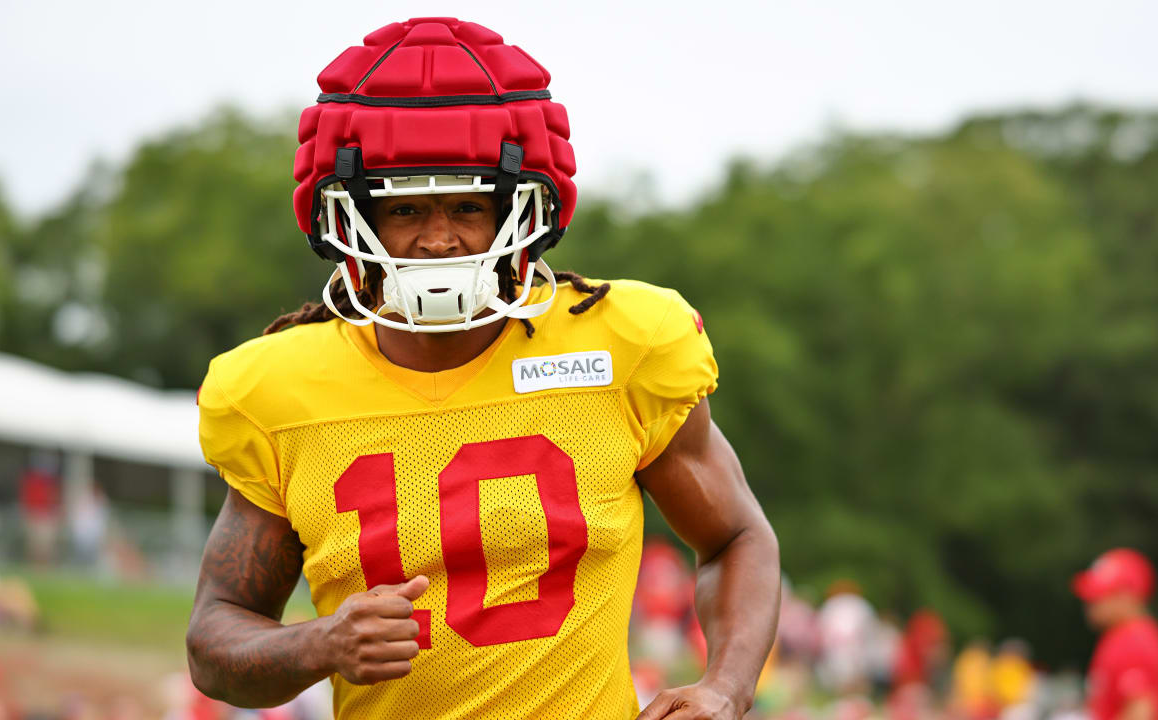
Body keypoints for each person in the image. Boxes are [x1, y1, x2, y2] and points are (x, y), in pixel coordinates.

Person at [184, 17, 780, 720]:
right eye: (405, 209)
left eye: (468, 205)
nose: (439, 240)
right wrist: (320, 643)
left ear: (523, 205)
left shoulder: (624, 345)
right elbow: (214, 640)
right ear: (346, 217)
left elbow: (738, 536)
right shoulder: (276, 389)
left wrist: (725, 687)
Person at [1072, 548, 1158, 720]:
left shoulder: (1136, 640)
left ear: (1126, 595)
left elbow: (1141, 712)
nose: (1090, 604)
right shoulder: (1120, 636)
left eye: (1099, 595)